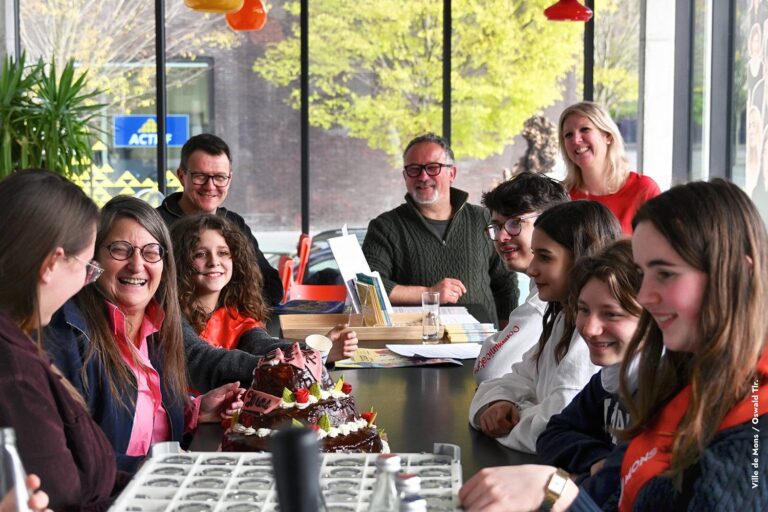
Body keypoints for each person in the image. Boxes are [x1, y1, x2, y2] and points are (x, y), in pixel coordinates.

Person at [459, 179, 768, 511]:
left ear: (737, 273)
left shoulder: (750, 427)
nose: (646, 296)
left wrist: (557, 493)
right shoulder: (671, 377)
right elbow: (610, 482)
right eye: (643, 272)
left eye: (664, 274)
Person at [45, 196, 244, 473]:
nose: (137, 265)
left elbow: (148, 422)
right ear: (95, 258)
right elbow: (71, 460)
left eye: (151, 252)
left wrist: (195, 411)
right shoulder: (68, 334)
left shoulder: (160, 328)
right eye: (120, 250)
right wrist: (161, 469)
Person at [0, 169, 117, 510]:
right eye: (87, 266)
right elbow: (65, 501)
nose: (87, 281)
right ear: (52, 263)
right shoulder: (15, 373)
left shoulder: (20, 343)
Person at [469, 200, 621, 453]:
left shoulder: (592, 337)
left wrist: (510, 417)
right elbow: (512, 378)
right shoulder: (563, 318)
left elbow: (551, 430)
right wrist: (496, 403)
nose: (531, 269)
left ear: (581, 259)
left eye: (545, 257)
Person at [362, 133, 518, 326]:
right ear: (405, 176)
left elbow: (505, 284)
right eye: (414, 169)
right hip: (413, 345)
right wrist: (429, 293)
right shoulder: (385, 227)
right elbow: (367, 288)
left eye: (433, 168)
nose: (423, 176)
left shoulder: (484, 219)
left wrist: (507, 336)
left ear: (452, 173)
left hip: (482, 344)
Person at [171, 214, 358, 361]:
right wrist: (309, 356)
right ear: (181, 262)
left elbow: (264, 345)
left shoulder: (237, 316)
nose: (214, 262)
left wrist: (316, 353)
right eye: (200, 254)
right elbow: (210, 360)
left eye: (223, 253)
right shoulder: (169, 317)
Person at [536, 240, 639, 488]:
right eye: (583, 310)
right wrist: (598, 461)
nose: (590, 329)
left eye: (611, 313)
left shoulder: (665, 394)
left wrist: (575, 480)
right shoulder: (608, 379)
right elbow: (553, 434)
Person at [157, 133, 283, 306]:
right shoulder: (154, 225)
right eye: (200, 176)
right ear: (181, 176)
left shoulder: (235, 224)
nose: (210, 186)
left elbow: (271, 287)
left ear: (229, 179)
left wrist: (223, 314)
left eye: (219, 177)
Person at [474, 171, 569, 383]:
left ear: (553, 224)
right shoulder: (540, 287)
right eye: (496, 226)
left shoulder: (546, 302)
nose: (500, 237)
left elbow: (488, 372)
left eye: (514, 223)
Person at [559, 101, 660, 234]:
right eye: (568, 135)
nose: (576, 140)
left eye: (585, 129)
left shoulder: (644, 189)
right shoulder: (560, 196)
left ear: (608, 136)